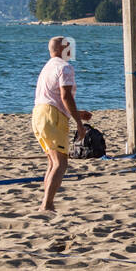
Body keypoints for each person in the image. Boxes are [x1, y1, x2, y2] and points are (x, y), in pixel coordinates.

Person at [31, 36, 90, 212]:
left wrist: (76, 113)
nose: (71, 49)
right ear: (62, 49)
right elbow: (65, 96)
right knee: (60, 163)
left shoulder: (47, 67)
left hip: (39, 114)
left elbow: (53, 98)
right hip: (51, 116)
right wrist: (79, 124)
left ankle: (47, 202)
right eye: (68, 46)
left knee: (52, 162)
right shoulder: (65, 67)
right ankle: (46, 204)